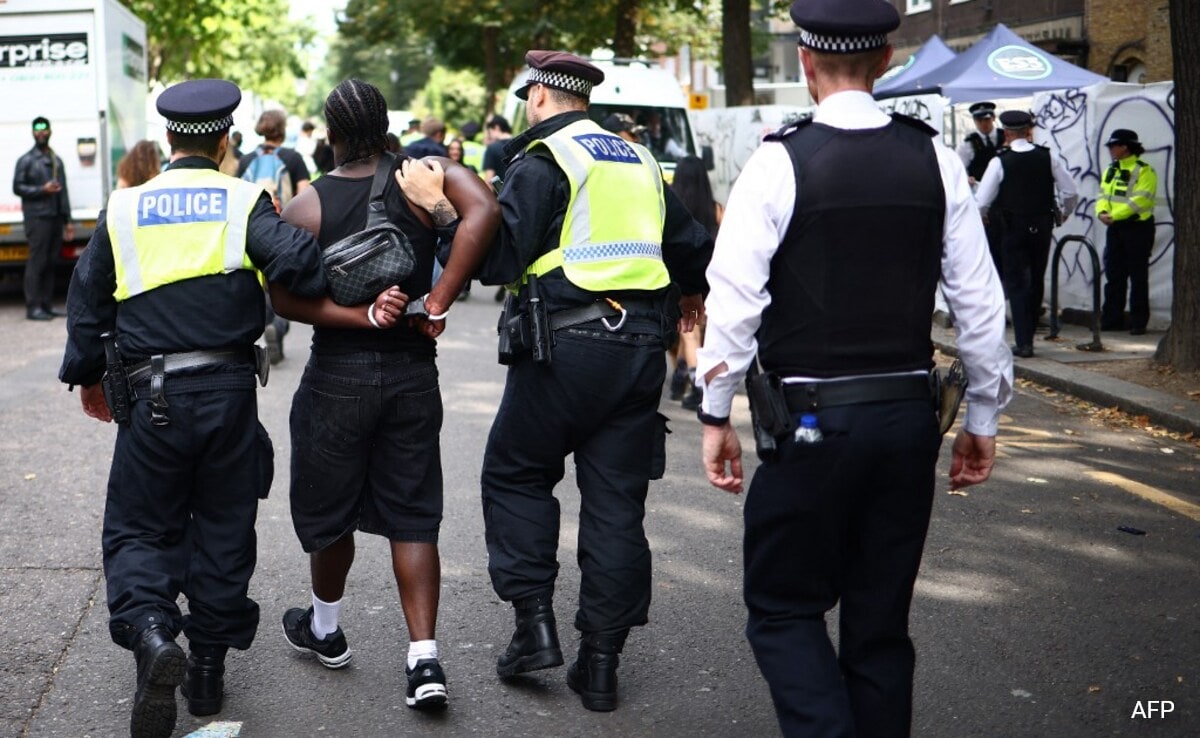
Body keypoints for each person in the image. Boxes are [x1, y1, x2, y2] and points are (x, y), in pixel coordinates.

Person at [697, 1, 1013, 735]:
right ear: (887, 61)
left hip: (809, 423)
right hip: (907, 420)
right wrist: (983, 417)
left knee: (783, 608)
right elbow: (980, 304)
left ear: (805, 63)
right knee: (879, 625)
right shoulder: (933, 157)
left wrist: (716, 415)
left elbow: (734, 304)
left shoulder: (779, 160)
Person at [400, 49, 711, 713]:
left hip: (565, 347)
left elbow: (499, 258)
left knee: (514, 474)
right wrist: (690, 293)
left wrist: (442, 210)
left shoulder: (545, 161)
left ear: (538, 97)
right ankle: (601, 665)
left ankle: (534, 628)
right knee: (617, 503)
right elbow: (690, 245)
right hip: (638, 353)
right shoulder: (638, 159)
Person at [57, 78, 366, 738]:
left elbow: (86, 305)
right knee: (224, 527)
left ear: (168, 140)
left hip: (149, 397)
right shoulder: (243, 199)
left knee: (141, 528)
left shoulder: (125, 206)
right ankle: (205, 671)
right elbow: (302, 269)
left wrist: (86, 376)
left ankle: (149, 631)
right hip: (226, 395)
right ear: (226, 139)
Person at [272, 78, 499, 712]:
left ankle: (325, 627)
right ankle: (424, 660)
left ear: (332, 134)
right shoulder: (428, 176)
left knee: (329, 510)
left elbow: (284, 298)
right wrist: (438, 298)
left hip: (336, 379)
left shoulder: (308, 206)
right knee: (412, 512)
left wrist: (359, 317)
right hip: (411, 376)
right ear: (386, 127)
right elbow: (485, 212)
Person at [975, 110, 1078, 358]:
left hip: (1012, 228)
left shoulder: (1000, 161)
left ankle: (1024, 342)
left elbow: (981, 202)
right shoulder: (1047, 157)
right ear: (1029, 131)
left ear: (1007, 133)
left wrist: (985, 219)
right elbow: (1070, 192)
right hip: (1042, 226)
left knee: (1018, 282)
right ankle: (1029, 334)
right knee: (1036, 279)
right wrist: (1063, 214)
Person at [237, 109, 313, 365]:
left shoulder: (246, 160)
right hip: (283, 230)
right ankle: (277, 327)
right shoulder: (293, 158)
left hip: (252, 228)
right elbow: (304, 197)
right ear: (282, 129)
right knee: (281, 285)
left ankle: (265, 323)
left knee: (259, 285)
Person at [667, 155, 721, 411]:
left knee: (689, 333)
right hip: (711, 278)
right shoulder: (717, 209)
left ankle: (697, 385)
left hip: (681, 277)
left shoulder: (673, 205)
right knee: (697, 333)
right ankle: (682, 379)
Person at [12, 116, 74, 321]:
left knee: (50, 262)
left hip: (55, 217)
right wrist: (42, 189)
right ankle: (33, 307)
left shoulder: (57, 160)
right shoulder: (26, 160)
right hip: (37, 219)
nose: (41, 133)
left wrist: (68, 221)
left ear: (50, 131)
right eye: (37, 129)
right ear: (32, 132)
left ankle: (46, 305)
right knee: (37, 262)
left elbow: (64, 194)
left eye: (44, 129)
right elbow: (17, 187)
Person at [1097, 128, 1157, 335]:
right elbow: (1103, 194)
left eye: (1114, 146)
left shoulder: (1144, 170)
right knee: (1114, 274)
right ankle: (1111, 318)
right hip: (1115, 228)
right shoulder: (1111, 170)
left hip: (1137, 228)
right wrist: (1101, 212)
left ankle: (1138, 322)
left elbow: (1141, 200)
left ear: (1126, 147)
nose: (1111, 150)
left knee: (1138, 276)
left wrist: (1115, 216)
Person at [956, 101, 1004, 274]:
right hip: (982, 197)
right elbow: (959, 170)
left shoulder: (1004, 136)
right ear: (975, 122)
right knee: (988, 240)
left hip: (1004, 196)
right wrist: (966, 179)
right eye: (980, 121)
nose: (984, 124)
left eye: (987, 119)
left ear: (993, 118)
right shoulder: (969, 144)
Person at [482, 114, 513, 183]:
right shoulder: (519, 145)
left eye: (490, 132)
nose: (490, 136)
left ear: (496, 127)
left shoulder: (492, 148)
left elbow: (489, 179)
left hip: (498, 193)